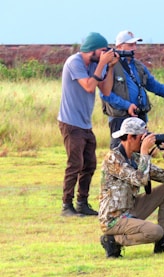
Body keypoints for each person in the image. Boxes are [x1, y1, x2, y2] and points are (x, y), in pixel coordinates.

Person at [99, 117, 164, 258]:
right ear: (130, 137)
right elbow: (139, 180)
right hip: (113, 219)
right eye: (142, 138)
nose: (144, 141)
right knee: (155, 232)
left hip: (131, 208)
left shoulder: (135, 158)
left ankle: (163, 243)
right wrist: (145, 153)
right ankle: (113, 240)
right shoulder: (113, 159)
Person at [100, 30, 164, 149]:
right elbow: (105, 94)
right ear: (119, 46)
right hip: (120, 119)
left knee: (141, 153)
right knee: (120, 155)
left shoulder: (138, 66)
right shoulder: (110, 65)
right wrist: (127, 105)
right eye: (130, 45)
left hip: (139, 118)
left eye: (135, 44)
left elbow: (154, 86)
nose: (134, 48)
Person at [58, 32, 119, 217]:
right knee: (75, 163)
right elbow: (89, 86)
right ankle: (66, 205)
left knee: (89, 164)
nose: (105, 53)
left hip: (85, 124)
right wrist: (102, 64)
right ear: (92, 49)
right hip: (70, 122)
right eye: (102, 50)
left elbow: (106, 90)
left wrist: (109, 67)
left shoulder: (95, 64)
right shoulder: (74, 62)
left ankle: (82, 203)